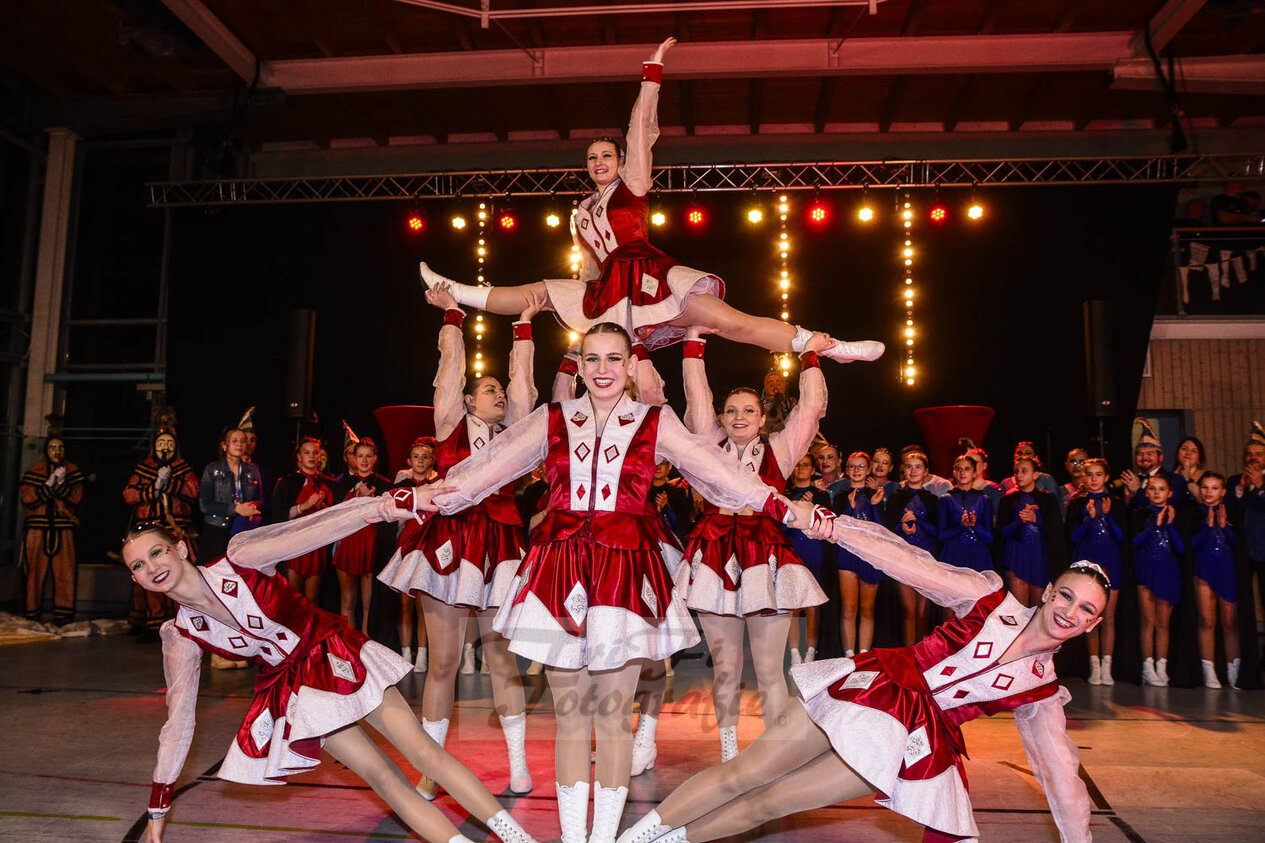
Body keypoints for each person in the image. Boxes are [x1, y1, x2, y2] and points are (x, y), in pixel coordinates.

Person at [396, 322, 799, 843]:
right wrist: (418, 499)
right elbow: (484, 473)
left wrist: (785, 508)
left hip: (626, 572)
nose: (603, 369)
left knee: (612, 719)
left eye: (613, 359)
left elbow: (721, 474)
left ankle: (603, 838)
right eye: (592, 359)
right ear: (580, 365)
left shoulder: (656, 420)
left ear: (630, 366)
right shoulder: (552, 418)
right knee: (570, 717)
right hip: (559, 569)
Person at [618, 501, 1104, 843]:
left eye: (1086, 610)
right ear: (1048, 592)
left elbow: (1061, 777)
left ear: (1094, 624)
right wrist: (834, 529)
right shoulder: (987, 597)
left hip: (908, 742)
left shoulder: (1042, 689)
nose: (1070, 612)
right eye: (1066, 595)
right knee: (744, 774)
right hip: (876, 687)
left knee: (770, 804)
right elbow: (906, 561)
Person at [416, 38, 883, 372]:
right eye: (592, 158)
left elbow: (640, 130)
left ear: (619, 162)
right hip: (606, 288)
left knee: (733, 324)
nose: (599, 163)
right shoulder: (580, 212)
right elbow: (589, 266)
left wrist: (652, 74)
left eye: (606, 156)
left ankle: (826, 344)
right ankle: (455, 290)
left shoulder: (632, 185)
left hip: (649, 275)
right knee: (537, 293)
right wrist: (586, 304)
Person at [121, 502, 537, 843]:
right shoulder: (181, 634)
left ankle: (519, 840)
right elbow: (178, 722)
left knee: (424, 753)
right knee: (383, 779)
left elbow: (318, 529)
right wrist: (158, 806)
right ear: (136, 579)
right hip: (296, 691)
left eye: (157, 552)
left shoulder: (240, 557)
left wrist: (388, 506)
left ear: (181, 548)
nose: (151, 567)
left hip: (332, 651)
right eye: (138, 566)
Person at [377, 285, 540, 801]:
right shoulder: (449, 425)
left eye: (499, 390)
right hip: (451, 543)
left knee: (502, 662)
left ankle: (519, 767)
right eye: (487, 389)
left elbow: (525, 388)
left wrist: (524, 328)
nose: (498, 394)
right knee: (443, 663)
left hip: (503, 547)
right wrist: (452, 316)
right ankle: (431, 771)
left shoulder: (514, 434)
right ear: (468, 400)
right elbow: (449, 371)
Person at [677, 327, 829, 762]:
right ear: (721, 418)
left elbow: (810, 409)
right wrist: (693, 343)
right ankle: (729, 755)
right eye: (731, 411)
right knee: (725, 669)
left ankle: (772, 760)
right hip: (714, 556)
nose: (739, 417)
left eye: (748, 411)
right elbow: (696, 397)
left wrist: (810, 357)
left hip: (765, 557)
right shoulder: (708, 447)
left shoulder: (780, 450)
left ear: (763, 418)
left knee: (769, 671)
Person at [124, 417, 200, 640]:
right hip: (148, 535)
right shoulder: (143, 469)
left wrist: (171, 483)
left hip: (177, 533)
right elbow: (129, 494)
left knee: (183, 576)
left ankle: (186, 622)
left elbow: (194, 491)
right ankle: (153, 624)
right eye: (161, 443)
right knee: (150, 576)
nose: (165, 447)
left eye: (169, 443)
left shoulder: (183, 469)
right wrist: (155, 486)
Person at [1064, 458, 1125, 685]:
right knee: (1089, 616)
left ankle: (1107, 666)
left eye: (1098, 475)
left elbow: (1121, 536)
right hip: (1087, 562)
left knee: (1108, 617)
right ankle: (1094, 666)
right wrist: (1089, 519)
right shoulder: (1078, 503)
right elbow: (1073, 537)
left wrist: (1106, 515)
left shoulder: (1115, 502)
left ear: (1106, 477)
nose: (1094, 479)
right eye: (1089, 475)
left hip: (1111, 562)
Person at [20, 435, 86, 624]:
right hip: (37, 530)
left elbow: (76, 498)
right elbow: (27, 499)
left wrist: (62, 484)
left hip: (63, 529)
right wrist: (49, 484)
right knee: (34, 572)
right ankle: (32, 612)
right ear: (46, 450)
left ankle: (63, 615)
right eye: (52, 448)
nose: (57, 452)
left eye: (60, 447)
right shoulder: (34, 472)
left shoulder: (72, 472)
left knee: (65, 572)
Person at [1184, 472, 1241, 688]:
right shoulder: (1194, 514)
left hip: (1226, 572)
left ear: (1223, 492)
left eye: (1214, 488)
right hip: (1204, 572)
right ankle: (1209, 671)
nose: (1209, 492)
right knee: (1207, 621)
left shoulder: (1231, 513)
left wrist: (1224, 527)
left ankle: (1233, 670)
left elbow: (1238, 545)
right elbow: (1191, 546)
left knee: (1230, 622)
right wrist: (1207, 526)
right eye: (1205, 487)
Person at [333, 438, 393, 636]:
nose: (364, 460)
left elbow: (389, 518)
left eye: (368, 456)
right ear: (354, 458)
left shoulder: (384, 485)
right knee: (347, 600)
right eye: (360, 456)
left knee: (368, 603)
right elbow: (335, 517)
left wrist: (371, 499)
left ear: (375, 458)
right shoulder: (343, 484)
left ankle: (366, 646)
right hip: (348, 545)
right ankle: (347, 645)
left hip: (371, 546)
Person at [391, 437, 439, 670]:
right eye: (416, 457)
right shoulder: (401, 487)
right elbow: (393, 517)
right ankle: (405, 653)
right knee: (404, 605)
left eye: (425, 457)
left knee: (423, 606)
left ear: (431, 461)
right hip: (406, 546)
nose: (420, 461)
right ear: (409, 461)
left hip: (428, 548)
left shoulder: (437, 486)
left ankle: (422, 654)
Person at [270, 436, 337, 604]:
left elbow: (335, 517)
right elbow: (278, 515)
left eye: (315, 453)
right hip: (294, 543)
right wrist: (304, 506)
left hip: (317, 545)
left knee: (313, 599)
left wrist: (322, 508)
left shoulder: (329, 483)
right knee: (293, 597)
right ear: (299, 456)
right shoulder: (287, 482)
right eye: (307, 452)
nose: (311, 456)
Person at [1132, 474, 1183, 686]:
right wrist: (1155, 525)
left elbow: (1180, 548)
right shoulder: (1140, 514)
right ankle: (1148, 667)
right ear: (1146, 492)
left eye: (1162, 489)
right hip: (1145, 572)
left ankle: (1162, 667)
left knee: (1163, 624)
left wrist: (1168, 525)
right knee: (1148, 622)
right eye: (1153, 488)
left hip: (1167, 573)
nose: (1157, 493)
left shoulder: (1175, 515)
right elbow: (1134, 542)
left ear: (1169, 493)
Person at [884, 449, 939, 644]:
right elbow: (887, 530)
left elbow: (937, 531)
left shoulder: (932, 499)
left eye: (918, 467)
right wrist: (902, 526)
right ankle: (910, 653)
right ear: (904, 470)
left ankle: (921, 651)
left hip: (925, 558)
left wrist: (918, 521)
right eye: (909, 467)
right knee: (909, 610)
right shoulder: (896, 497)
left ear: (926, 472)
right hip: (903, 557)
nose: (913, 471)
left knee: (923, 612)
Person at [997, 456, 1067, 608]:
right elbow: (1001, 533)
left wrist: (1036, 520)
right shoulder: (1008, 499)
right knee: (1019, 611)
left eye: (1024, 471)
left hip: (1039, 557)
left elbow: (1055, 532)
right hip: (1016, 556)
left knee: (1038, 610)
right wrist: (1018, 522)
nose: (1019, 475)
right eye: (1016, 471)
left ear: (1035, 474)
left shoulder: (1047, 499)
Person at [835, 451, 884, 656]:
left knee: (867, 609)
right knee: (849, 608)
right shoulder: (840, 495)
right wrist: (849, 508)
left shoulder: (875, 494)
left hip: (870, 554)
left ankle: (864, 656)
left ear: (869, 469)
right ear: (847, 470)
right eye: (853, 466)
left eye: (861, 466)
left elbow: (881, 530)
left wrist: (875, 506)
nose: (856, 470)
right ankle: (850, 656)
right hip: (846, 553)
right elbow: (836, 527)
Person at [785, 454, 832, 664]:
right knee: (792, 606)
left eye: (806, 465)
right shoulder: (784, 495)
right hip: (791, 553)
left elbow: (828, 526)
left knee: (813, 605)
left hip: (814, 552)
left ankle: (810, 653)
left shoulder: (822, 496)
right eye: (798, 465)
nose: (801, 468)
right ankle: (795, 654)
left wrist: (812, 507)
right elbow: (779, 526)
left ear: (813, 470)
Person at [198, 426, 263, 562]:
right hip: (217, 529)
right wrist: (235, 508)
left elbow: (260, 499)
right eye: (234, 441)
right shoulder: (212, 469)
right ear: (224, 445)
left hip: (243, 529)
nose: (239, 444)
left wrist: (253, 507)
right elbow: (205, 506)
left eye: (243, 441)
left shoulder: (252, 470)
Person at [937, 454, 994, 574]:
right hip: (952, 554)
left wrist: (975, 525)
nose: (962, 472)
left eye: (967, 469)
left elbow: (989, 538)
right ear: (954, 473)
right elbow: (941, 536)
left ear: (974, 473)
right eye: (959, 469)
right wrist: (961, 527)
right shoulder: (946, 499)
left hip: (978, 555)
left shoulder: (984, 499)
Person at [1121, 419, 1185, 511]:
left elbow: (1166, 508)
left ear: (1161, 457)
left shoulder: (1174, 480)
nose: (1144, 458)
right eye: (1140, 454)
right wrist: (1127, 499)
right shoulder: (1130, 481)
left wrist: (1137, 491)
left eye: (1150, 454)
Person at [1173, 436, 1207, 507]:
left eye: (1194, 451)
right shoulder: (1169, 477)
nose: (1188, 453)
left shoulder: (1207, 477)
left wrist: (1188, 479)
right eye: (1184, 449)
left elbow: (1205, 501)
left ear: (1199, 459)